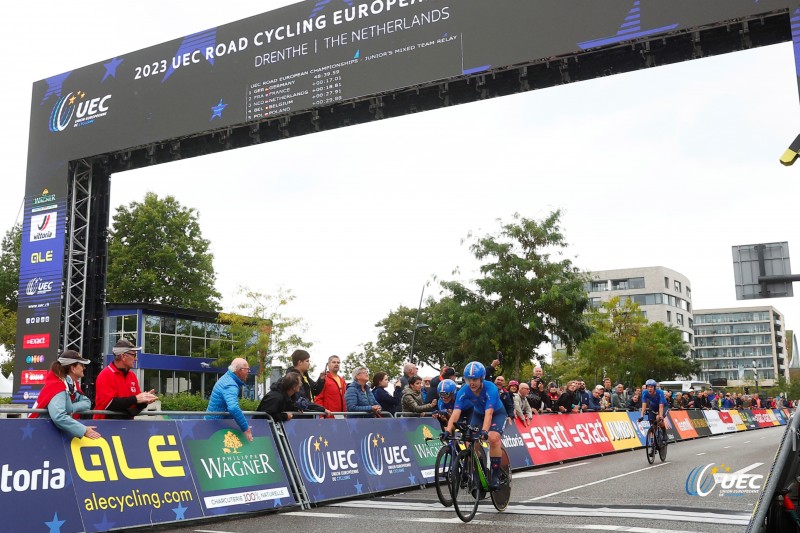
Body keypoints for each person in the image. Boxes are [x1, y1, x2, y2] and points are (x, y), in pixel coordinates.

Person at [444, 361, 507, 489]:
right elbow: (456, 413)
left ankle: (495, 476)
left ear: (481, 378)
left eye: (475, 379)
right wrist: (448, 430)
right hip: (478, 415)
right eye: (468, 379)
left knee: (493, 438)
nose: (471, 382)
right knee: (469, 444)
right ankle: (481, 470)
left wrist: (484, 431)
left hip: (496, 414)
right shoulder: (464, 390)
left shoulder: (491, 388)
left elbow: (489, 414)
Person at [30, 350, 100, 439]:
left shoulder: (70, 384)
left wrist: (70, 408)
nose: (84, 368)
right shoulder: (58, 386)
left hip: (45, 432)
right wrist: (84, 430)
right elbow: (58, 417)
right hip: (40, 433)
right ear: (73, 368)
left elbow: (87, 402)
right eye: (81, 365)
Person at [93, 339, 158, 420]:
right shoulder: (106, 374)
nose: (136, 359)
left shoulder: (132, 375)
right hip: (105, 426)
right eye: (134, 355)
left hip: (125, 426)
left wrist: (144, 401)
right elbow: (109, 404)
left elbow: (133, 406)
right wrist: (136, 399)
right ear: (123, 356)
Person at [205, 358, 253, 442]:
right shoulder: (230, 385)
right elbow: (233, 408)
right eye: (247, 369)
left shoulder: (227, 378)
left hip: (212, 425)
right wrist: (246, 428)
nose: (249, 372)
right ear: (240, 370)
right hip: (214, 428)